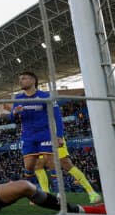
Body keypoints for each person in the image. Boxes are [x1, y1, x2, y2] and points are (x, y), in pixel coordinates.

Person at [10, 71, 101, 204]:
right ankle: (45, 195)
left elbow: (57, 117)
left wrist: (59, 135)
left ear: (33, 80)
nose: (20, 81)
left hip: (50, 135)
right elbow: (13, 119)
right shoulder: (18, 98)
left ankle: (91, 192)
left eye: (23, 78)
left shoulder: (46, 96)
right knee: (36, 166)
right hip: (30, 137)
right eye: (20, 78)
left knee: (65, 164)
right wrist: (14, 113)